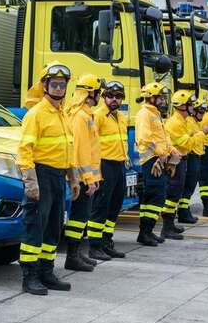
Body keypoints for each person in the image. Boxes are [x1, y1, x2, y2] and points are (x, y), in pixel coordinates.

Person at [17, 62, 77, 295]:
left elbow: (67, 148)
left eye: (62, 85)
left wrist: (72, 178)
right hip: (41, 174)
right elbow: (25, 150)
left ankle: (46, 272)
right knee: (35, 226)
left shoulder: (63, 113)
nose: (59, 89)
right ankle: (29, 276)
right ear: (44, 86)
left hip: (58, 176)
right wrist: (31, 182)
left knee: (53, 227)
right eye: (54, 84)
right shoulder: (36, 114)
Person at [63, 73, 104, 272]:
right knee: (79, 216)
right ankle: (72, 256)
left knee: (82, 217)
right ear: (90, 93)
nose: (99, 96)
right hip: (82, 178)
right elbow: (80, 150)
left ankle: (76, 253)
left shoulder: (86, 114)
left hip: (86, 177)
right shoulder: (80, 116)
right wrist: (88, 179)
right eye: (98, 92)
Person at [89, 81, 129, 260]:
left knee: (114, 206)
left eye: (118, 96)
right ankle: (94, 246)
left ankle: (106, 242)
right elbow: (91, 145)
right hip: (104, 165)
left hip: (119, 165)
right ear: (104, 97)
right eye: (110, 96)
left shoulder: (121, 117)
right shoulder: (98, 115)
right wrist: (95, 172)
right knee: (100, 207)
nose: (114, 99)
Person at [135, 83, 177, 246]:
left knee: (153, 197)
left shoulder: (155, 114)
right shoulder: (144, 114)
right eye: (160, 98)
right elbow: (145, 138)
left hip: (159, 159)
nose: (163, 101)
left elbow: (163, 137)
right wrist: (161, 153)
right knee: (155, 196)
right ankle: (145, 233)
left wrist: (172, 150)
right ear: (151, 97)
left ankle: (147, 231)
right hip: (152, 161)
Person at [163, 91, 200, 240]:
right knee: (172, 193)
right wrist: (200, 135)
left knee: (177, 193)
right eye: (190, 104)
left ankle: (170, 224)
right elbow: (186, 143)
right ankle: (166, 228)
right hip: (175, 160)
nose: (193, 107)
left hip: (181, 159)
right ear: (182, 106)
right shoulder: (175, 123)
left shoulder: (183, 121)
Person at [177, 98, 208, 223]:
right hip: (191, 156)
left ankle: (184, 210)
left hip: (196, 155)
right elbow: (189, 140)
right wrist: (203, 133)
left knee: (190, 185)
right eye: (200, 112)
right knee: (188, 184)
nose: (202, 114)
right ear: (194, 111)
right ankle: (183, 212)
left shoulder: (196, 123)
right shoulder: (190, 122)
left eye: (204, 112)